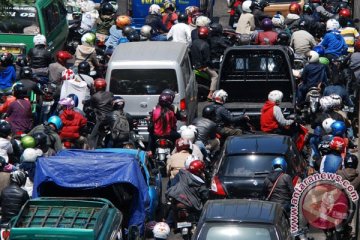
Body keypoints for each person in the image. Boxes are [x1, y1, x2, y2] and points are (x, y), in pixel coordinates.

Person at [190, 26, 218, 100]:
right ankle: (211, 94)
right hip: (203, 67)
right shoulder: (205, 45)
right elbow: (207, 60)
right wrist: (213, 66)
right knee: (215, 76)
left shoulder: (194, 42)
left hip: (194, 65)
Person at [88, 78, 113, 149]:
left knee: (91, 138)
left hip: (101, 120)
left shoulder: (94, 96)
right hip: (110, 119)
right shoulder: (110, 94)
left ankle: (93, 152)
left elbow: (91, 107)